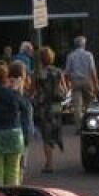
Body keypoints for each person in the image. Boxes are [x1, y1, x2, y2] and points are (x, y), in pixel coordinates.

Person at [0, 62, 26, 187]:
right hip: (15, 133)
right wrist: (18, 90)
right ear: (6, 78)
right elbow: (24, 107)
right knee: (13, 171)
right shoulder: (12, 94)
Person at [33, 46, 67, 174]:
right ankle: (52, 155)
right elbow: (65, 88)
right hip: (56, 105)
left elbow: (33, 90)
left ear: (41, 59)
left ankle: (49, 163)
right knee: (55, 129)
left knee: (46, 134)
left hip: (44, 106)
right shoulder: (58, 71)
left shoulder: (38, 73)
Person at [63, 35, 98, 128]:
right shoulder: (89, 55)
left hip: (75, 81)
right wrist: (96, 85)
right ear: (84, 44)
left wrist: (68, 85)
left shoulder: (70, 56)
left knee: (77, 106)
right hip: (87, 80)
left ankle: (79, 127)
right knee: (89, 103)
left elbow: (67, 72)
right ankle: (90, 124)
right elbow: (92, 71)